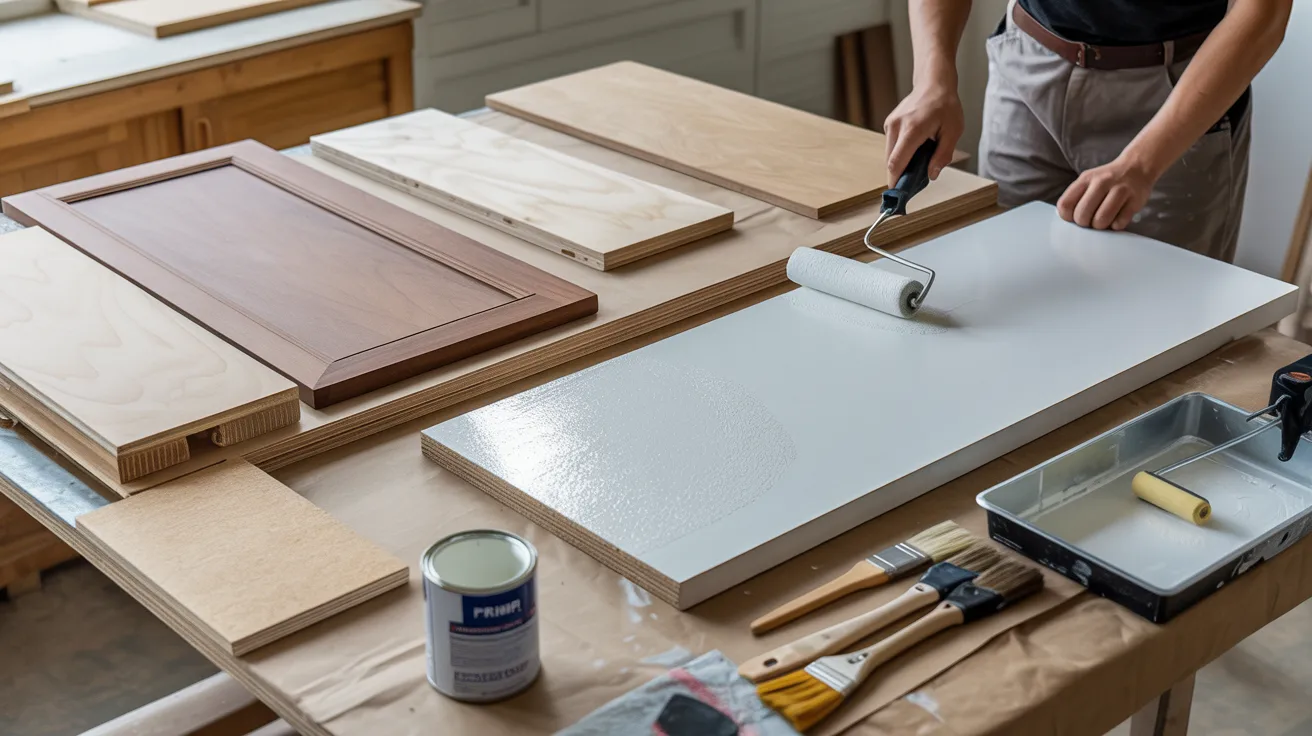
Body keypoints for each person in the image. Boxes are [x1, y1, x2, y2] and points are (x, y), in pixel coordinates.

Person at [884, 0, 1293, 262]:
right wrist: (932, 80)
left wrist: (1142, 164)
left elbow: (1263, 12)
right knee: (1003, 285)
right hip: (1027, 68)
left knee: (1162, 325)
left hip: (1172, 96)